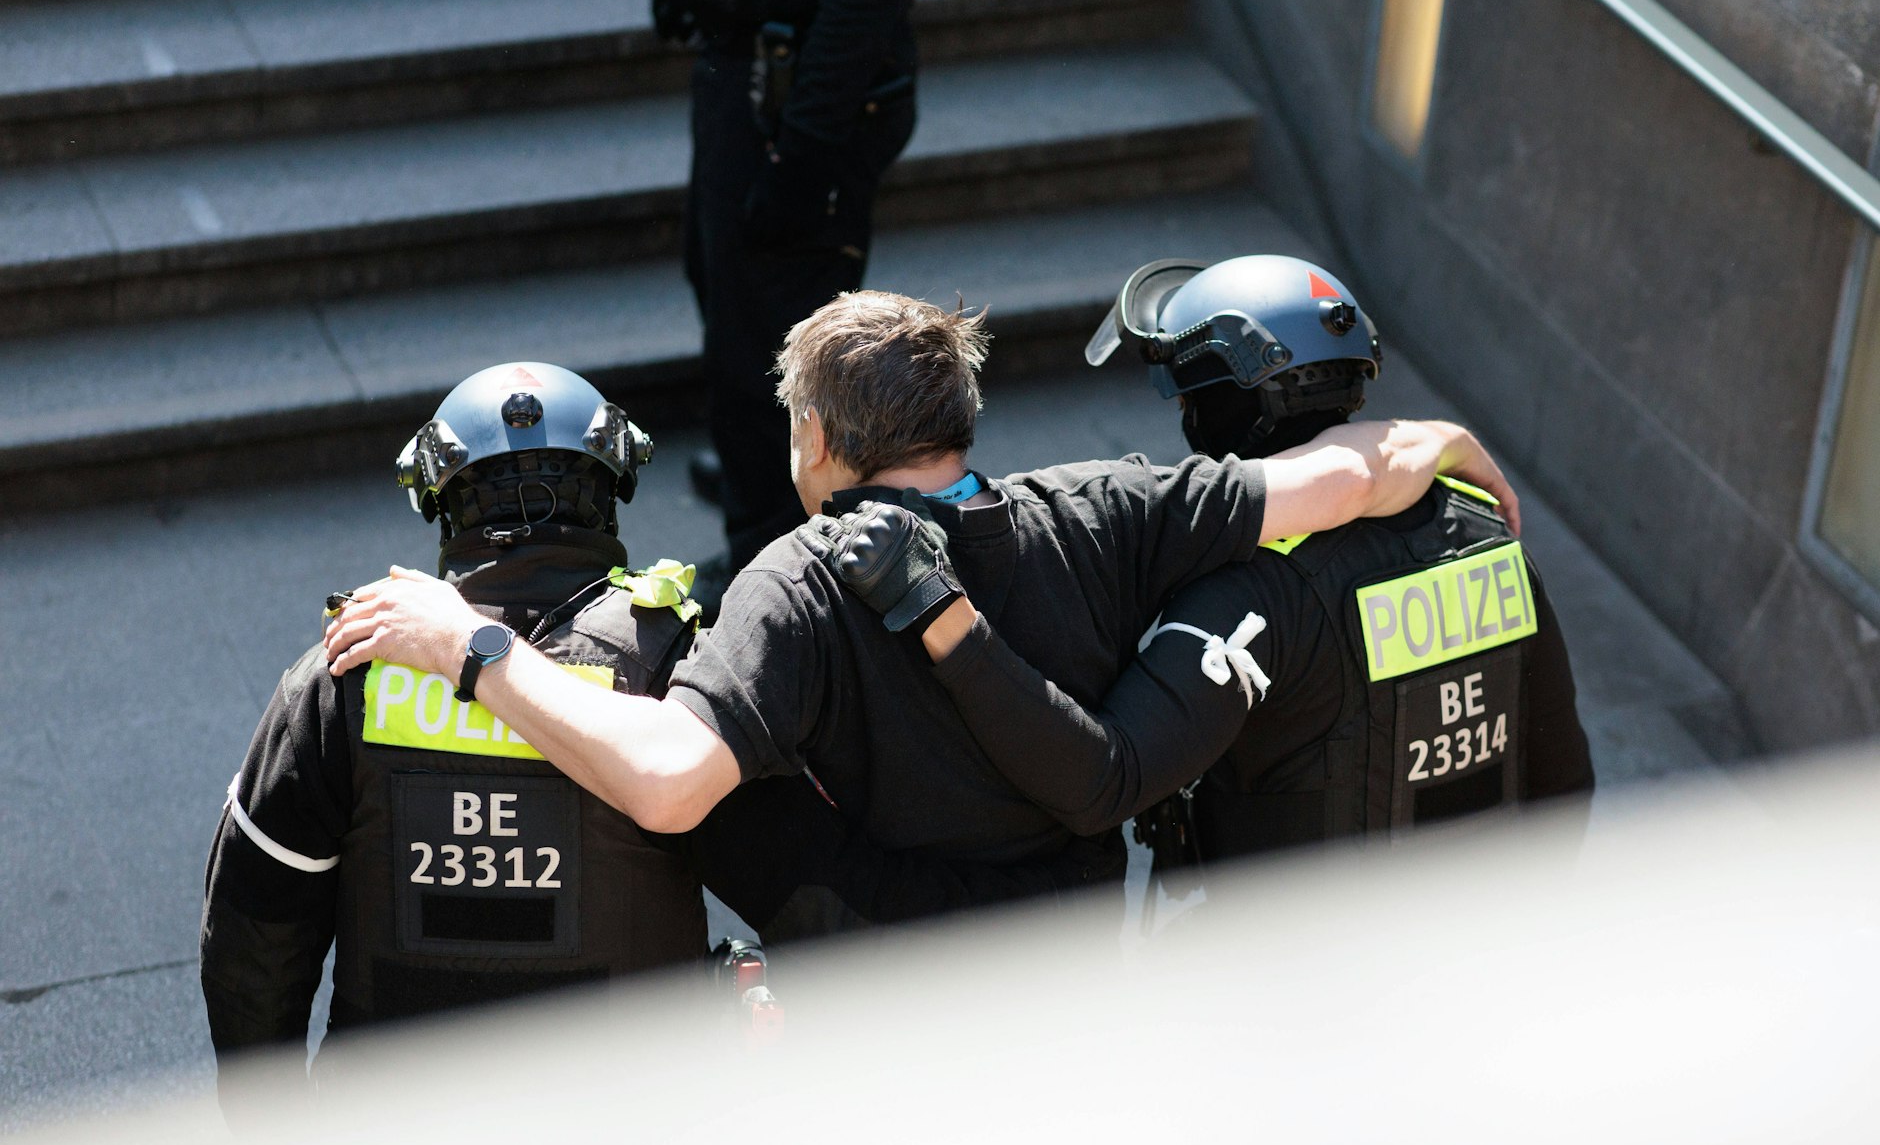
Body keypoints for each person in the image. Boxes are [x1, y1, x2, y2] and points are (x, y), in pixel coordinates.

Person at [320, 293, 1521, 892]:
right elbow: (1329, 475)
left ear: (820, 442)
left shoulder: (793, 585)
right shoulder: (1102, 506)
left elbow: (670, 781)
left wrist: (472, 645)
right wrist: (1443, 437)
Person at [200, 359, 1099, 1118]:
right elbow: (811, 888)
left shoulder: (344, 673)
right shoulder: (684, 670)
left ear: (442, 504)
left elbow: (253, 940)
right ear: (609, 491)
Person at [816, 256, 1593, 876]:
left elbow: (1105, 781)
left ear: (1220, 409)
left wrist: (945, 623)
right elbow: (1563, 783)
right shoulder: (1484, 530)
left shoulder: (1249, 594)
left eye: (1190, 399)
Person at [621, 0, 926, 598]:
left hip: (800, 99)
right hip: (743, 65)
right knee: (728, 302)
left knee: (775, 344)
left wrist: (803, 154)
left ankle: (782, 577)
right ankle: (757, 490)